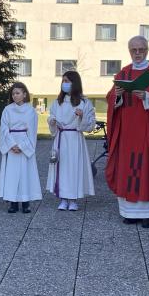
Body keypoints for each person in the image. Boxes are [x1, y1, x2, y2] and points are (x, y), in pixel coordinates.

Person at [104, 36, 149, 228]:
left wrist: (148, 96)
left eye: (141, 49)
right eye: (134, 50)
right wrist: (117, 96)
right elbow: (110, 98)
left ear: (147, 50)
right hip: (128, 134)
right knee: (128, 171)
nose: (138, 53)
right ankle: (132, 212)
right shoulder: (124, 72)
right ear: (129, 51)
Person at [47, 71, 95, 211]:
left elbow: (90, 125)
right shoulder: (57, 102)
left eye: (67, 81)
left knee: (74, 168)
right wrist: (52, 121)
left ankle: (73, 199)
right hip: (61, 138)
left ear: (75, 83)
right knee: (62, 168)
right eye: (63, 81)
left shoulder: (84, 102)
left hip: (75, 139)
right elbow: (51, 117)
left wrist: (82, 116)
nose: (64, 84)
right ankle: (63, 198)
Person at [0, 82, 41, 214]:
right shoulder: (7, 109)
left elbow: (32, 130)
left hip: (24, 144)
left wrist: (22, 146)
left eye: (17, 93)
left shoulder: (30, 110)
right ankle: (13, 202)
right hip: (11, 144)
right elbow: (4, 129)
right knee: (12, 174)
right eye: (13, 93)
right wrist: (12, 145)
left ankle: (26, 202)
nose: (15, 96)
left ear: (24, 94)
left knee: (25, 173)